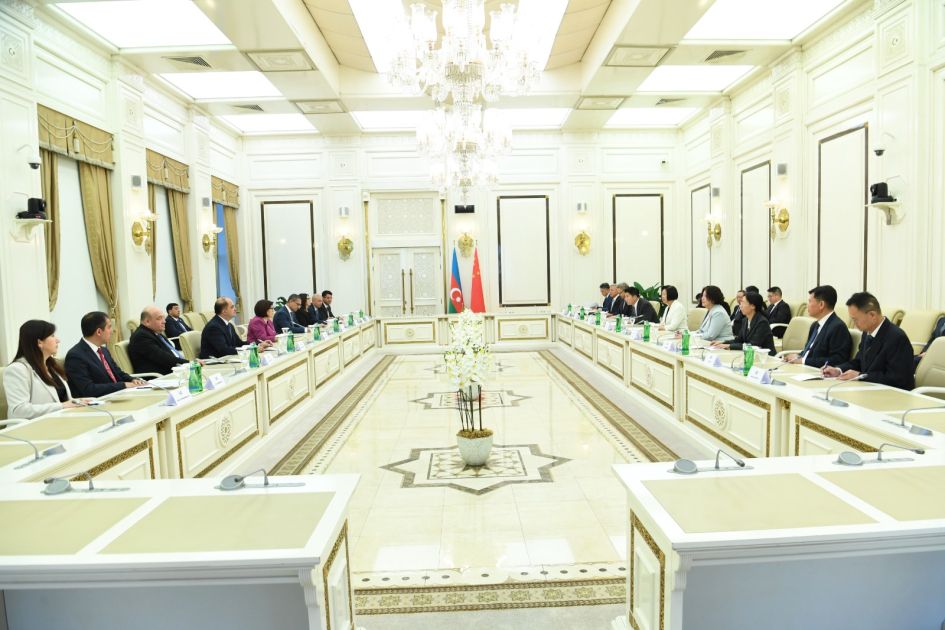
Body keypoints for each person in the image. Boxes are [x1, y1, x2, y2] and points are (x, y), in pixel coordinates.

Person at [822, 292, 914, 390]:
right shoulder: (867, 332)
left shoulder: (897, 338)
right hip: (870, 389)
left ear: (872, 315)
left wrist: (860, 376)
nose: (854, 324)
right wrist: (838, 370)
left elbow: (898, 378)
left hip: (892, 394)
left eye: (855, 319)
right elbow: (859, 361)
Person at [4, 320, 83, 419]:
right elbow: (19, 410)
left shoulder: (51, 365)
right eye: (52, 336)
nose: (58, 340)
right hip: (32, 426)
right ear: (39, 342)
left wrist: (79, 402)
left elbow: (64, 400)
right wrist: (61, 406)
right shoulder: (17, 369)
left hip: (60, 420)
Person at [65, 312, 145, 398]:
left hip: (117, 395)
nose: (112, 331)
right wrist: (123, 385)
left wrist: (133, 380)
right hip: (98, 401)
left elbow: (118, 372)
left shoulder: (103, 350)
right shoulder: (75, 356)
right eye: (109, 327)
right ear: (99, 332)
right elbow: (88, 389)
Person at [784, 285, 852, 367]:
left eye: (810, 301)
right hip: (805, 368)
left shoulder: (838, 327)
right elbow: (810, 351)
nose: (807, 305)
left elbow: (838, 360)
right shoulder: (815, 325)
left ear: (821, 304)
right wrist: (798, 356)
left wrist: (803, 361)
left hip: (818, 372)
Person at [200, 297, 271, 359]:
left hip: (228, 359)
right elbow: (224, 350)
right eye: (232, 307)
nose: (235, 309)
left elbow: (239, 343)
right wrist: (251, 350)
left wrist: (258, 344)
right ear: (224, 311)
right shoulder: (213, 327)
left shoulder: (229, 325)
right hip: (214, 363)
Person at [127, 306, 190, 375]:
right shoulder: (141, 337)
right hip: (158, 376)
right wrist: (189, 363)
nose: (164, 321)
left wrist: (188, 363)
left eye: (163, 318)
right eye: (159, 318)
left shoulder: (155, 332)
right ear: (147, 322)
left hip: (173, 371)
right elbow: (163, 358)